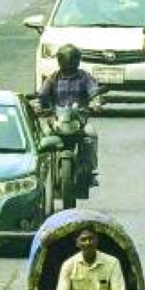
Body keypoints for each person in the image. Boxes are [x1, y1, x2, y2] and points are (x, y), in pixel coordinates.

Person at [37, 42, 100, 186]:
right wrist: (39, 106)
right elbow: (42, 95)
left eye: (72, 60)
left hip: (79, 119)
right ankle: (40, 173)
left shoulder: (84, 77)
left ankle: (91, 170)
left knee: (91, 135)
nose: (69, 63)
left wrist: (96, 102)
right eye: (66, 60)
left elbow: (94, 92)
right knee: (42, 139)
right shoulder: (54, 77)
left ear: (77, 61)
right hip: (57, 120)